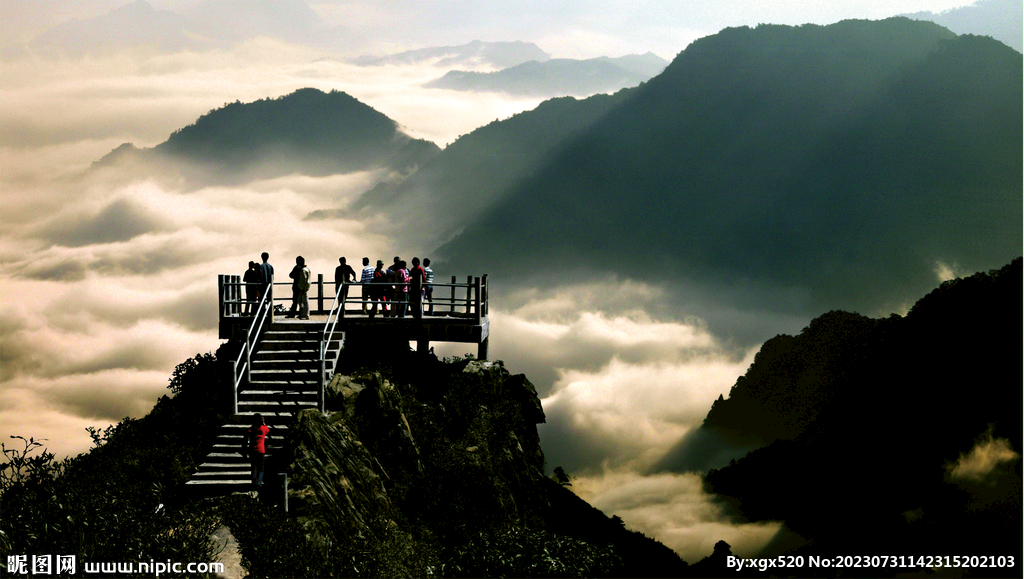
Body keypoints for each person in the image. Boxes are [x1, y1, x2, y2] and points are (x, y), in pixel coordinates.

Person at [245, 413, 270, 489]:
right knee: (261, 468)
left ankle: (254, 483)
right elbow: (268, 430)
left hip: (253, 450)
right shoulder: (263, 429)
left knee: (254, 468)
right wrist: (264, 423)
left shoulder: (251, 430)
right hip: (261, 450)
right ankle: (259, 483)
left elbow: (247, 437)